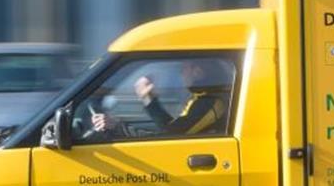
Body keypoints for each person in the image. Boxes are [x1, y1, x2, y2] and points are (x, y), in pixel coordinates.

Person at [90, 59, 231, 138]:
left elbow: (172, 136)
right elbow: (173, 128)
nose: (181, 74)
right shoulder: (202, 98)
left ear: (198, 72)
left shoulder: (211, 102)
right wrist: (149, 98)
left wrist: (117, 127)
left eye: (184, 69)